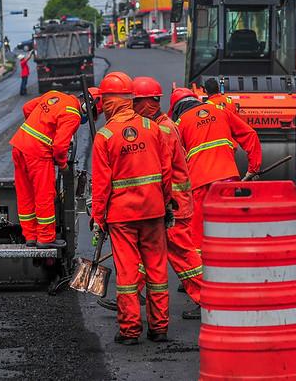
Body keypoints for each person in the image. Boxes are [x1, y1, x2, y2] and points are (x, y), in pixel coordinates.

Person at [91, 71, 172, 345]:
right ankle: (159, 328)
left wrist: (98, 217)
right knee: (157, 270)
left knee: (127, 274)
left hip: (122, 216)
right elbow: (166, 171)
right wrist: (166, 203)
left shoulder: (104, 136)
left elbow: (101, 185)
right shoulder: (153, 129)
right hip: (153, 211)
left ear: (110, 102)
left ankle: (130, 331)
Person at [133, 76, 203, 320]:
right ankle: (133, 292)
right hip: (170, 202)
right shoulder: (161, 125)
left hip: (173, 205)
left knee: (183, 255)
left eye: (136, 103)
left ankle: (209, 300)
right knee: (148, 248)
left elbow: (161, 171)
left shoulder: (162, 130)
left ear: (144, 102)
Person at [170, 87, 262, 250]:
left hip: (199, 183)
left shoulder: (179, 123)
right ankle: (227, 263)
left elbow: (173, 161)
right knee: (225, 225)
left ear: (177, 109)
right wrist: (252, 169)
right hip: (227, 179)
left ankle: (202, 270)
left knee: (198, 231)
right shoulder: (220, 111)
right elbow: (250, 135)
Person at [9, 89, 85, 249]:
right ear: (87, 107)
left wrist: (39, 126)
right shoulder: (73, 113)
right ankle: (45, 238)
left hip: (19, 145)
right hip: (38, 153)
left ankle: (30, 236)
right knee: (44, 194)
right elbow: (59, 147)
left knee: (25, 193)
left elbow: (27, 108)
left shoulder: (53, 95)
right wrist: (63, 165)